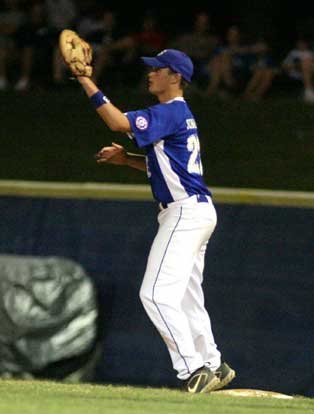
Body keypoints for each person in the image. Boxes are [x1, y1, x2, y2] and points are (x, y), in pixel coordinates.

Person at [76, 48, 236, 393]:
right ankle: (213, 362)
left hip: (184, 212)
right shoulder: (180, 116)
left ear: (175, 77)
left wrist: (85, 80)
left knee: (155, 293)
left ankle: (194, 368)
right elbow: (163, 165)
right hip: (197, 210)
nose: (150, 74)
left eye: (157, 69)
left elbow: (117, 122)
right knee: (188, 296)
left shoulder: (170, 111)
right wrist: (127, 160)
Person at [282, 37, 314, 103]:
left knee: (307, 63)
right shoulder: (293, 53)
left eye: (303, 43)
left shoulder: (311, 53)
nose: (301, 45)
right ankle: (309, 93)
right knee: (305, 62)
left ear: (306, 44)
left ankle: (308, 93)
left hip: (310, 70)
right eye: (299, 44)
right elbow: (284, 65)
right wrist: (297, 65)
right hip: (296, 71)